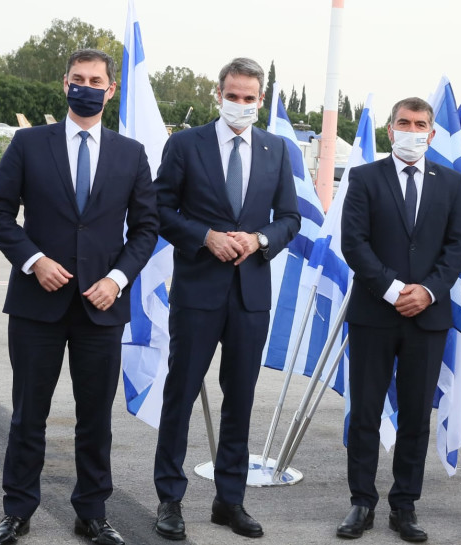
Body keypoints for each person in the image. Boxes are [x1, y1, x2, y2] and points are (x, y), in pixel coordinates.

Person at [0, 49, 158, 545]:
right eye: (77, 78)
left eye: (95, 80)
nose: (86, 86)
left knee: (94, 417)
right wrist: (34, 261)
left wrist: (117, 279)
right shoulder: (29, 143)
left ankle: (93, 512)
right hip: (36, 306)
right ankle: (17, 510)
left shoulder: (130, 154)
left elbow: (146, 228)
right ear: (64, 84)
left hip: (101, 308)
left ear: (111, 88)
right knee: (27, 414)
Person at [152, 57, 300, 541]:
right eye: (232, 95)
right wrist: (206, 236)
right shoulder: (185, 145)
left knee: (240, 398)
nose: (240, 104)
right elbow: (160, 208)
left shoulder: (277, 149)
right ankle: (170, 499)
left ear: (260, 100)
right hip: (198, 291)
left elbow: (290, 218)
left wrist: (259, 240)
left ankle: (229, 499)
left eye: (249, 97)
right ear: (219, 94)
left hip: (251, 294)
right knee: (180, 395)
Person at [338, 97, 461, 542]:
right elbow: (353, 243)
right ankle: (361, 501)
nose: (411, 130)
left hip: (428, 316)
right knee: (366, 412)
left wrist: (428, 291)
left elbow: (458, 246)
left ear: (431, 133)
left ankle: (404, 505)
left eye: (420, 124)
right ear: (390, 130)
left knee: (415, 414)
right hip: (375, 312)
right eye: (403, 123)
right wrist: (394, 290)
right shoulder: (364, 177)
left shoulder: (451, 184)